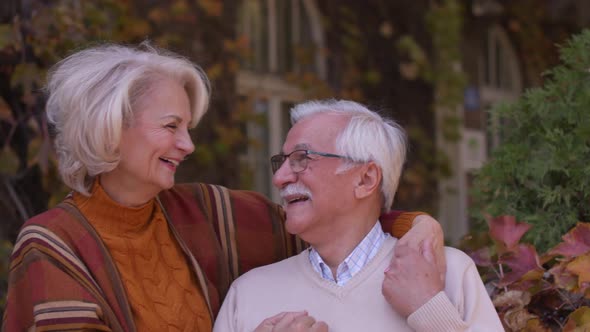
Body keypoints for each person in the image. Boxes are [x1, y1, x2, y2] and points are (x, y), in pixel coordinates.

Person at [2, 44, 445, 331]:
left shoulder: (212, 212)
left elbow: (335, 220)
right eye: (171, 126)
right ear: (111, 128)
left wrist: (414, 225)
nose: (187, 144)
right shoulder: (55, 244)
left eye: (188, 127)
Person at [214, 100, 504, 332]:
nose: (280, 177)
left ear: (365, 179)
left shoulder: (448, 272)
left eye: (302, 158)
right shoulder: (249, 293)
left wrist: (430, 312)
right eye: (282, 162)